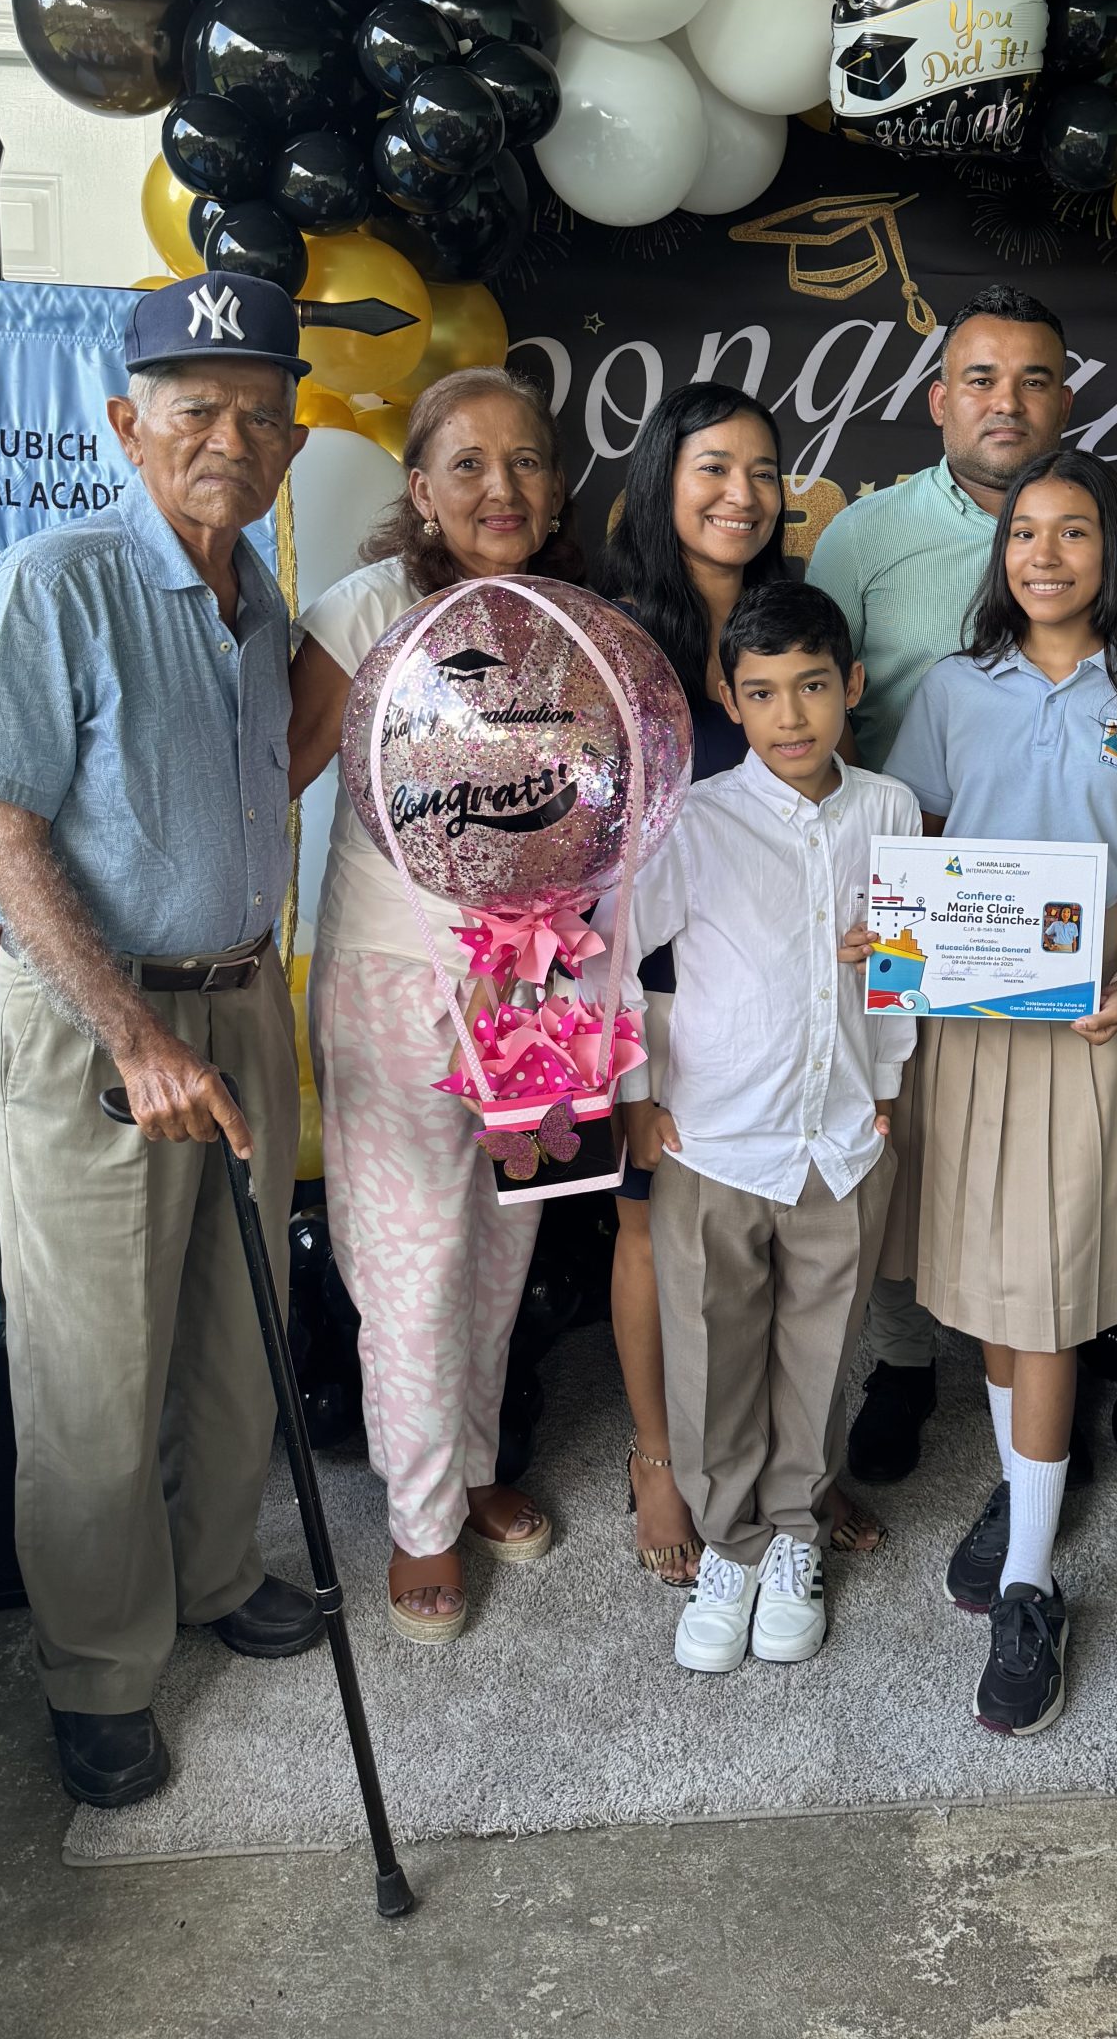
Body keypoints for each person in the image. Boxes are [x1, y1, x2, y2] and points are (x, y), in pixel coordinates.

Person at [0, 272, 321, 1809]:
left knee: (242, 1330)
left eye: (261, 415)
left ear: (292, 443)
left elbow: (283, 759)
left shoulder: (263, 605)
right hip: (101, 1021)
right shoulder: (62, 580)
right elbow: (1, 830)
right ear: (125, 423)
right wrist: (131, 1033)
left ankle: (220, 1572)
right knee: (97, 1367)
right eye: (197, 410)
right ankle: (101, 1670)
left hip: (242, 998)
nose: (231, 438)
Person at [809, 284, 1117, 1486]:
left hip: (1076, 963)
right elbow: (823, 716)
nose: (1005, 400)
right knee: (922, 1182)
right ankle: (904, 1367)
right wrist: (878, 913)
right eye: (980, 377)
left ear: (1066, 400)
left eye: (1033, 378)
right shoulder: (864, 540)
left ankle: (1028, 1462)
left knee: (1035, 1231)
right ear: (939, 399)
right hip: (926, 932)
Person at [884, 447, 1117, 1734]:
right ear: (1000, 553)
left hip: (1083, 1026)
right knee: (989, 1285)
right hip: (967, 1026)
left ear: (1112, 554)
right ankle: (1027, 1490)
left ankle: (1028, 1575)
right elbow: (910, 853)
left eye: (1075, 532)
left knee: (1050, 1293)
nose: (1046, 554)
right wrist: (893, 953)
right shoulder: (952, 688)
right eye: (1025, 532)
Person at [287, 367, 582, 1643]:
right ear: (419, 487)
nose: (500, 488)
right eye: (468, 464)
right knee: (411, 1266)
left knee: (503, 1248)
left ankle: (469, 1469)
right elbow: (272, 774)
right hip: (394, 981)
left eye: (525, 461)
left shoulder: (570, 623)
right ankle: (420, 1523)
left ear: (555, 486)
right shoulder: (362, 612)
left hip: (540, 988)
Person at [614, 579, 920, 1672]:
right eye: (763, 693)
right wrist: (637, 1097)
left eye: (813, 687)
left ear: (853, 686)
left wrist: (887, 1081)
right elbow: (617, 960)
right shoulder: (694, 820)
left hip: (841, 1134)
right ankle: (730, 1542)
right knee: (712, 1348)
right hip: (716, 1139)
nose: (790, 716)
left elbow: (902, 965)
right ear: (728, 698)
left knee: (822, 1348)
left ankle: (794, 1535)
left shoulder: (890, 810)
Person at [598, 380, 795, 1581]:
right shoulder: (619, 642)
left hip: (770, 981)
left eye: (764, 471)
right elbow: (590, 851)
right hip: (659, 988)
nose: (742, 493)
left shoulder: (792, 629)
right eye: (714, 467)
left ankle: (786, 1463)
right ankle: (659, 1458)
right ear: (663, 480)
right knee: (651, 1223)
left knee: (772, 1227)